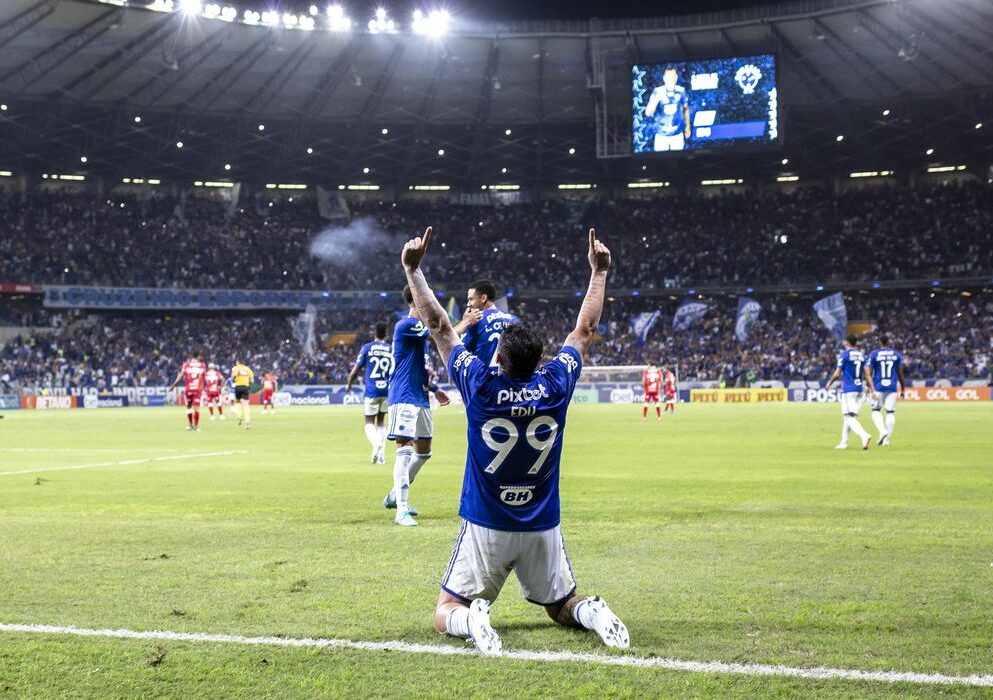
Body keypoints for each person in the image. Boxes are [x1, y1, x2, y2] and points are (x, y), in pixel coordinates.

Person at [398, 225, 630, 655]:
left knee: (446, 610)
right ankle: (592, 612)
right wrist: (598, 273)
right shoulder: (555, 384)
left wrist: (413, 271)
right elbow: (584, 330)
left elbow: (438, 325)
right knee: (560, 605)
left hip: (487, 521)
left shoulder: (481, 386)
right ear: (540, 359)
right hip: (542, 524)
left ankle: (473, 619)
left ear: (499, 358)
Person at [384, 286, 451, 526]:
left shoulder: (418, 332)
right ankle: (401, 509)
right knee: (403, 450)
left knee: (423, 451)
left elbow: (416, 368)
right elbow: (441, 336)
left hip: (420, 396)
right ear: (417, 302)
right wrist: (464, 323)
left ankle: (394, 495)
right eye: (427, 299)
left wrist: (434, 390)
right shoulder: (406, 325)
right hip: (403, 396)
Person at [346, 322, 394, 464]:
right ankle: (381, 456)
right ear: (386, 334)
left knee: (368, 422)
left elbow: (356, 370)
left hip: (372, 391)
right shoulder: (391, 349)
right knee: (381, 422)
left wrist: (349, 383)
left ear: (374, 333)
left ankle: (376, 445)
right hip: (386, 389)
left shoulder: (367, 348)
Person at [454, 280, 519, 371]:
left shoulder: (474, 320)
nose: (468, 304)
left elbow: (460, 353)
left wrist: (464, 323)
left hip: (485, 381)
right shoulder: (515, 321)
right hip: (511, 382)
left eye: (471, 299)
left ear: (483, 298)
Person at [825, 335, 876, 450]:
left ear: (847, 343)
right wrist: (872, 389)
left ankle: (864, 435)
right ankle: (843, 443)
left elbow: (838, 373)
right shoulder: (863, 356)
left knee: (848, 417)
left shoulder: (844, 355)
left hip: (849, 390)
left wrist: (830, 382)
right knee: (848, 417)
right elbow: (868, 374)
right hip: (859, 390)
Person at [867, 336, 905, 446]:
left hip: (878, 386)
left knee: (875, 410)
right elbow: (900, 374)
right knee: (890, 412)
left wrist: (869, 387)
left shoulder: (874, 354)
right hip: (892, 387)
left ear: (880, 342)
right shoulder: (897, 354)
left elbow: (869, 372)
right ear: (889, 342)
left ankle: (882, 431)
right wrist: (902, 389)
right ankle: (887, 440)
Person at [644, 66, 691, 152]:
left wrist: (688, 126)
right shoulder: (657, 91)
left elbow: (686, 109)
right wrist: (656, 100)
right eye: (669, 77)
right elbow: (648, 113)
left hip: (677, 135)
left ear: (676, 77)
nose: (671, 79)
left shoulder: (681, 91)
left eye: (673, 76)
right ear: (664, 78)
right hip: (661, 136)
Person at [168, 352, 206, 431]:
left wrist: (173, 386)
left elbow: (181, 376)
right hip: (197, 389)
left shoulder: (186, 364)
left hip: (188, 389)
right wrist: (204, 387)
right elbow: (204, 377)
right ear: (198, 356)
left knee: (188, 406)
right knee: (196, 408)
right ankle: (196, 426)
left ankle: (190, 425)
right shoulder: (202, 365)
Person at [230, 359, 254, 429]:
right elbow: (252, 380)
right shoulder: (248, 369)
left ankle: (239, 416)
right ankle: (247, 422)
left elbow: (232, 377)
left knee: (237, 401)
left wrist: (235, 379)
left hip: (238, 386)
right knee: (245, 404)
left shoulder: (235, 368)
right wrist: (247, 383)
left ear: (238, 362)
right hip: (245, 387)